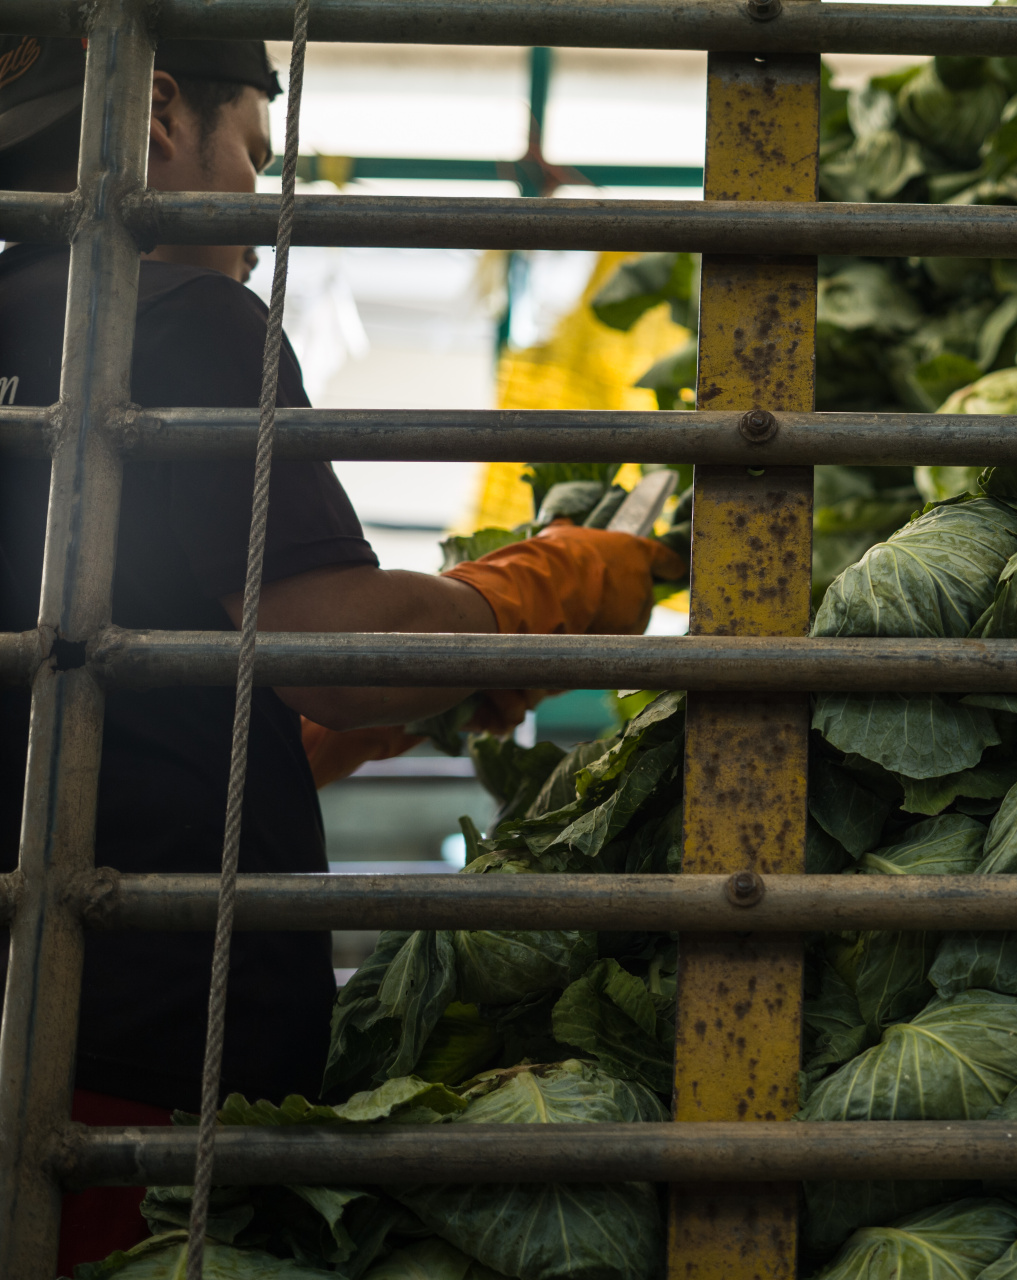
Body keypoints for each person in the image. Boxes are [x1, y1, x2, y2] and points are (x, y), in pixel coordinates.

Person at [0, 36, 686, 1270]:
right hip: (132, 1065)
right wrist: (551, 586)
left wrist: (388, 715)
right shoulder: (184, 320)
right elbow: (333, 646)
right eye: (257, 161)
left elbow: (99, 703)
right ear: (159, 113)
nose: (261, 225)